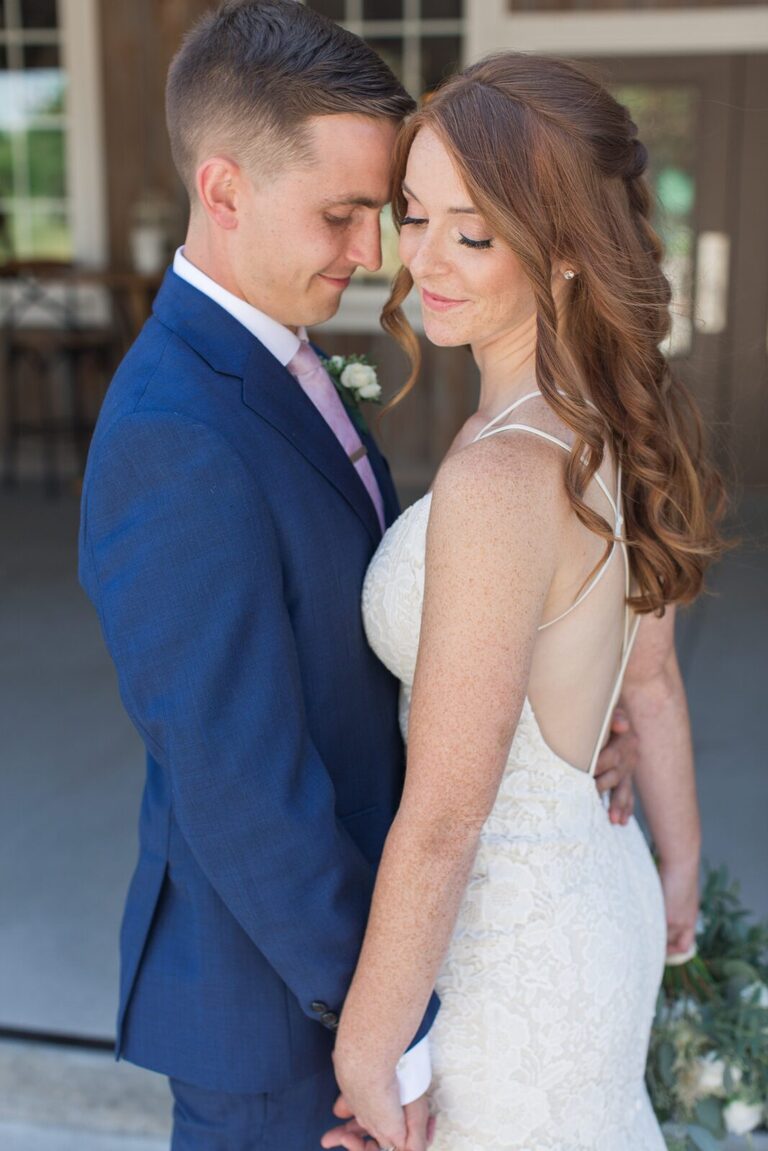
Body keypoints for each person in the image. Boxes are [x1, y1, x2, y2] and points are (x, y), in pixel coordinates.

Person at [79, 5, 635, 1146]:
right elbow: (241, 780)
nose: (377, 254)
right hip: (289, 1011)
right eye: (344, 215)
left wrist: (554, 717)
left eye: (386, 215)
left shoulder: (288, 359)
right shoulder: (172, 434)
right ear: (225, 191)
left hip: (401, 954)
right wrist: (390, 1028)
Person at [324, 53, 725, 1151]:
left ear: (560, 253)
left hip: (515, 956)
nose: (426, 259)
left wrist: (368, 1043)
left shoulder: (501, 474)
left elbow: (450, 812)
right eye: (416, 215)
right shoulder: (609, 423)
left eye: (475, 230)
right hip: (604, 885)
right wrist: (679, 872)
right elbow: (651, 681)